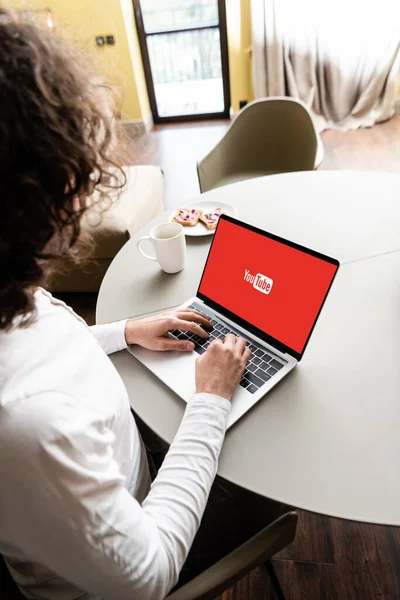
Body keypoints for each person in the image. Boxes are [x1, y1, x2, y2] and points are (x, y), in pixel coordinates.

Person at [0, 13, 288, 600]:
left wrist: (128, 330)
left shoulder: (11, 290)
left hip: (116, 469)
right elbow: (149, 578)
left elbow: (46, 341)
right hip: (139, 531)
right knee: (278, 471)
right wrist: (208, 401)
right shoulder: (24, 426)